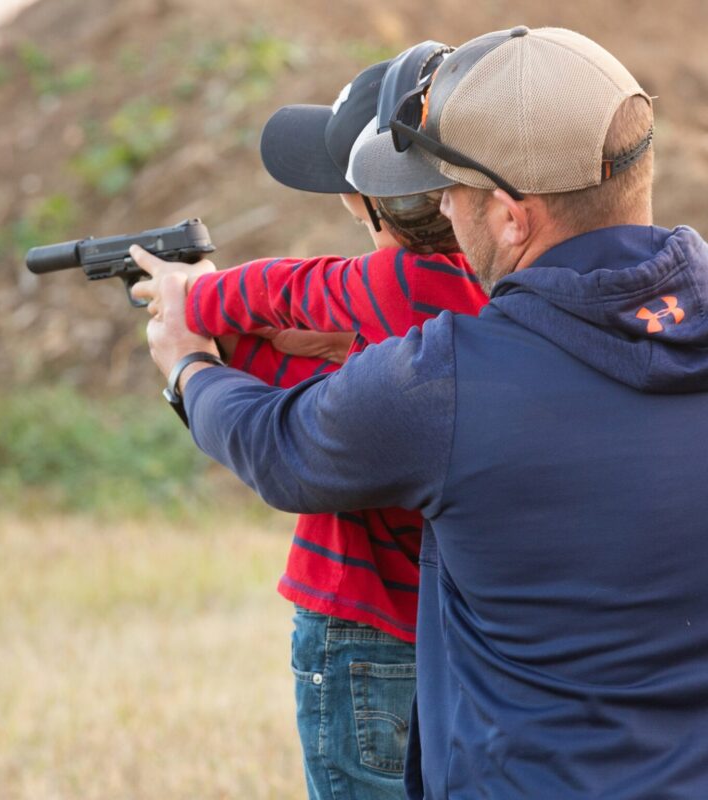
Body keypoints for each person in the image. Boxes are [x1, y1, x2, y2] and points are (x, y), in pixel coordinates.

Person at [140, 26, 708, 799]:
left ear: (511, 216)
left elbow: (278, 448)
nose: (439, 207)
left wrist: (188, 367)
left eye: (450, 189)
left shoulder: (447, 381)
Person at [134, 43, 486, 800]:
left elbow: (286, 291)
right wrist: (248, 349)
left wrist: (195, 304)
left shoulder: (387, 280)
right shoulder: (489, 297)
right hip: (450, 642)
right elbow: (336, 398)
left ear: (380, 201)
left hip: (355, 624)